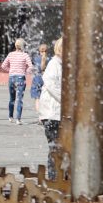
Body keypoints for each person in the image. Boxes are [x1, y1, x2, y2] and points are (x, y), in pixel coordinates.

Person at [38, 37, 63, 181]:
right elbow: (52, 86)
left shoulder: (61, 64)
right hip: (52, 114)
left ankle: (59, 178)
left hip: (57, 113)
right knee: (55, 148)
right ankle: (54, 180)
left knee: (60, 148)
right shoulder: (54, 64)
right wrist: (68, 101)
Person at [1, 38, 34, 125]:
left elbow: (3, 66)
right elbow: (31, 67)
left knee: (12, 98)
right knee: (19, 99)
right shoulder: (25, 55)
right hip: (20, 78)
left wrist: (10, 70)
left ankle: (10, 116)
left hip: (11, 78)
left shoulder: (10, 54)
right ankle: (18, 119)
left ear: (15, 45)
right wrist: (25, 72)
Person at [31, 43, 48, 111]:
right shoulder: (49, 59)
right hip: (45, 80)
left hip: (37, 80)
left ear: (39, 50)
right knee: (45, 99)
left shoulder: (35, 58)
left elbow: (33, 68)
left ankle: (39, 116)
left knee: (37, 99)